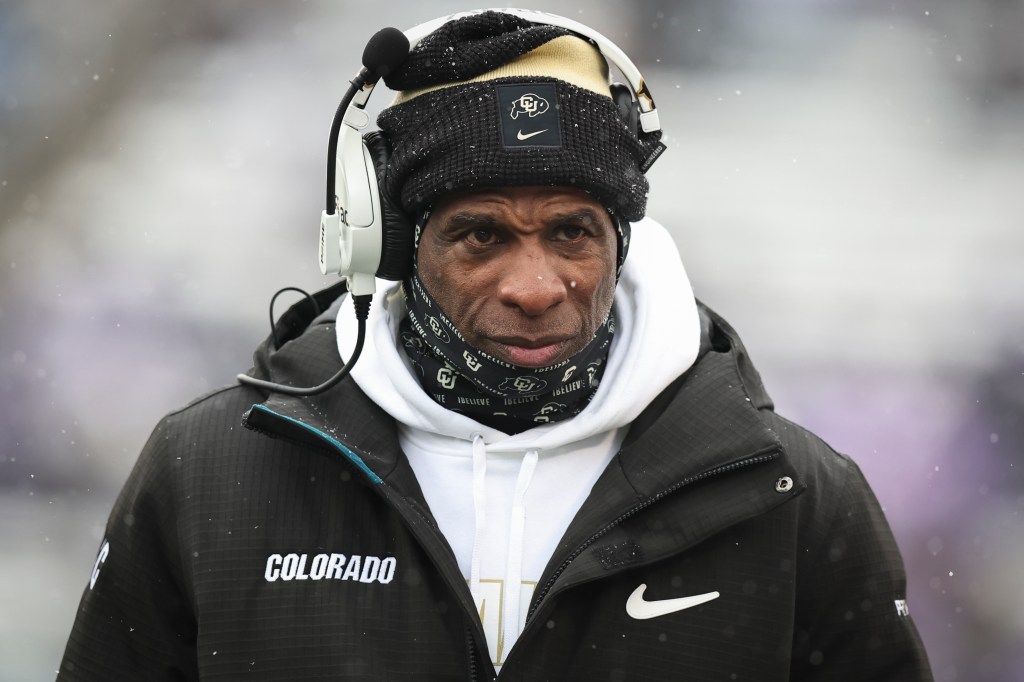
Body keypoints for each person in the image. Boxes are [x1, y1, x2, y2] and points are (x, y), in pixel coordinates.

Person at [58, 9, 933, 681]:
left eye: (572, 234)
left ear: (621, 243)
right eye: (481, 236)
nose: (535, 285)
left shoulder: (792, 495)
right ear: (390, 248)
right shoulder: (208, 473)